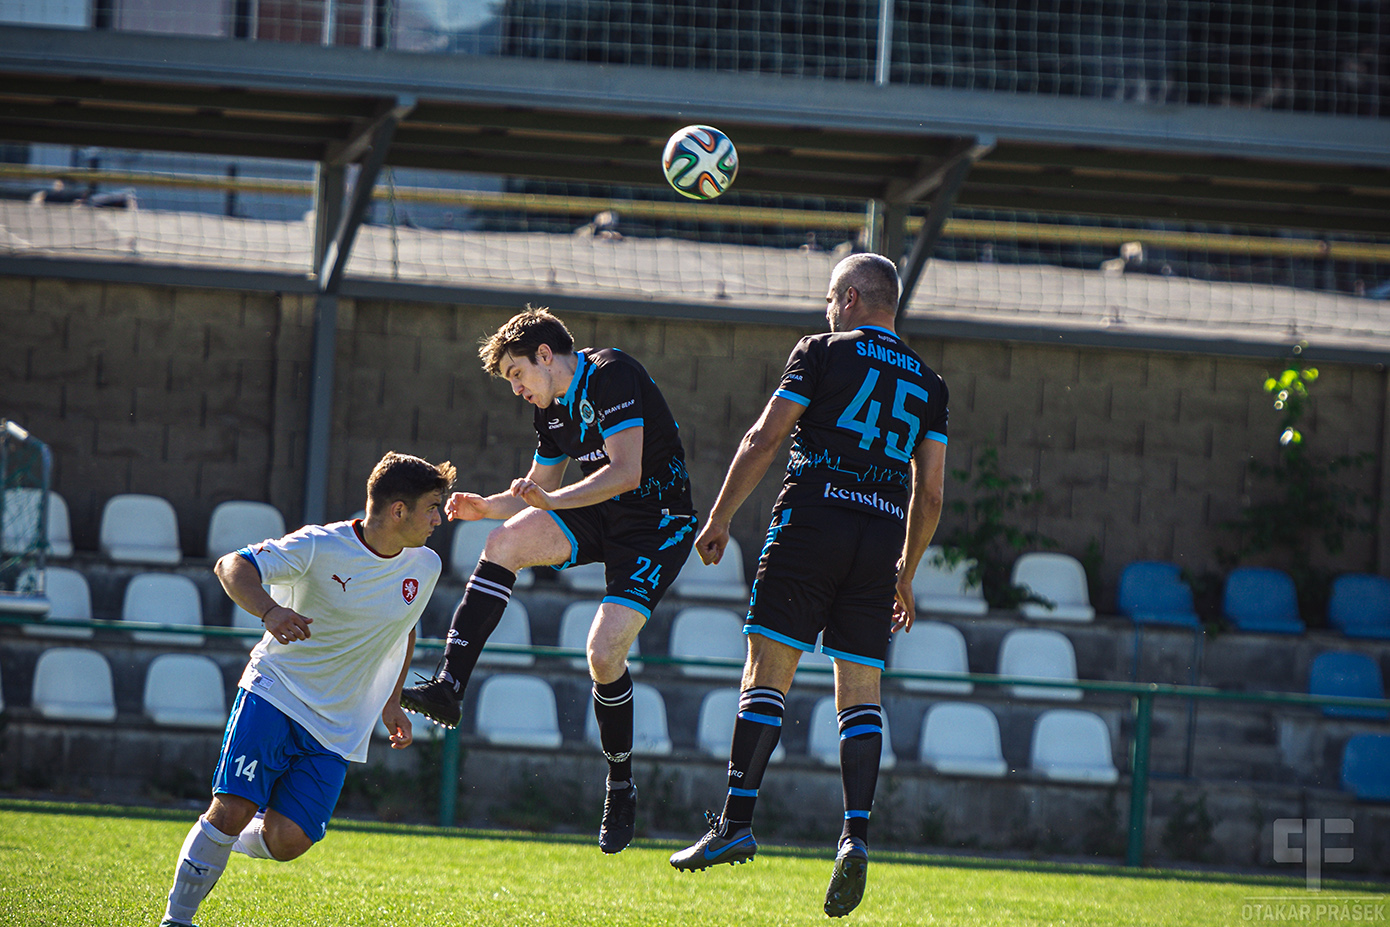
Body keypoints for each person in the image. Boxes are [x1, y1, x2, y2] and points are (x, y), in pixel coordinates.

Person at [668, 254, 948, 918]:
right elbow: (932, 493)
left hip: (812, 523)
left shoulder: (820, 351)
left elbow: (765, 436)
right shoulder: (930, 383)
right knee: (861, 691)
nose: (826, 311)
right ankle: (855, 834)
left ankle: (736, 821)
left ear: (849, 298)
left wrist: (719, 516)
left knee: (767, 672)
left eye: (829, 299)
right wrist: (905, 574)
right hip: (879, 540)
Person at [400, 307, 697, 855]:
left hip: (658, 523)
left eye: (516, 374)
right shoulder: (551, 412)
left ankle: (620, 785)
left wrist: (553, 502)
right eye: (509, 381)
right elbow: (539, 486)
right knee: (502, 543)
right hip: (602, 511)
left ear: (544, 355)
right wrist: (487, 506)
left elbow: (626, 471)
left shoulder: (611, 374)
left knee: (603, 654)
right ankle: (449, 687)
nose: (516, 389)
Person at [159, 452, 454, 927]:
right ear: (398, 510)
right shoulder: (320, 545)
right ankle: (177, 918)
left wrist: (392, 701)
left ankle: (217, 841)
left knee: (289, 841)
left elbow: (404, 629)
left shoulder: (427, 564)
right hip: (276, 694)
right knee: (233, 808)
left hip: (337, 724)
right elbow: (231, 565)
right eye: (433, 507)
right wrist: (270, 611)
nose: (439, 519)